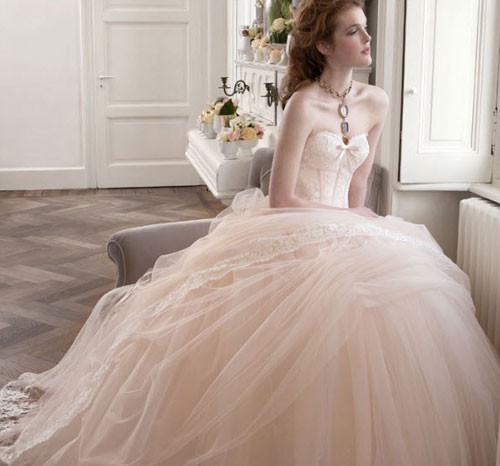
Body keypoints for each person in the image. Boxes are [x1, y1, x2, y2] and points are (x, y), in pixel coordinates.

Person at [1, 0, 499, 464]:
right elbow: (281, 197)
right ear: (324, 45)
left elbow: (358, 184)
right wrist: (343, 222)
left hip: (349, 230)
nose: (368, 39)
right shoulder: (303, 103)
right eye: (354, 31)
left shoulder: (378, 101)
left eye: (366, 28)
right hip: (291, 224)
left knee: (397, 311)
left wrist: (360, 225)